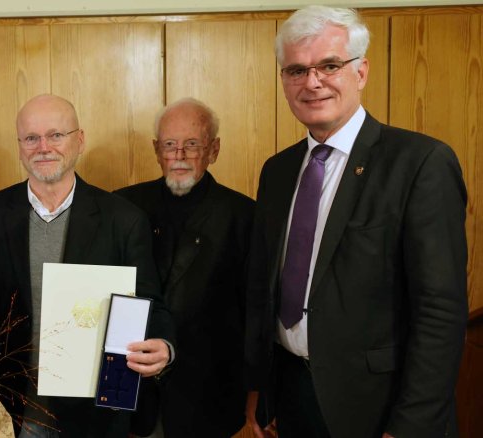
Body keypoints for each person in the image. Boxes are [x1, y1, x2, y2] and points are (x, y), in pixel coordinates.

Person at [244, 6, 468, 438]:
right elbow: (262, 290)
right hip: (290, 395)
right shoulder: (277, 171)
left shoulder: (420, 163)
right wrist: (260, 387)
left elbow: (440, 311)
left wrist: (412, 425)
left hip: (379, 407)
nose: (312, 82)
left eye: (329, 65)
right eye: (296, 70)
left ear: (361, 72)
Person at [0, 94, 174, 437]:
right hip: (8, 413)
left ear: (80, 140)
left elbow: (149, 305)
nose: (43, 147)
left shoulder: (124, 220)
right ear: (20, 146)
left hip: (94, 415)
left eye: (56, 135)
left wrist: (163, 345)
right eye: (32, 138)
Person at [116, 98, 252, 437]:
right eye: (169, 145)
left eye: (192, 145)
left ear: (214, 149)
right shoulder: (122, 207)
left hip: (208, 396)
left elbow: (256, 313)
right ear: (156, 150)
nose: (179, 156)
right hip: (132, 392)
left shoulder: (244, 216)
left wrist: (258, 391)